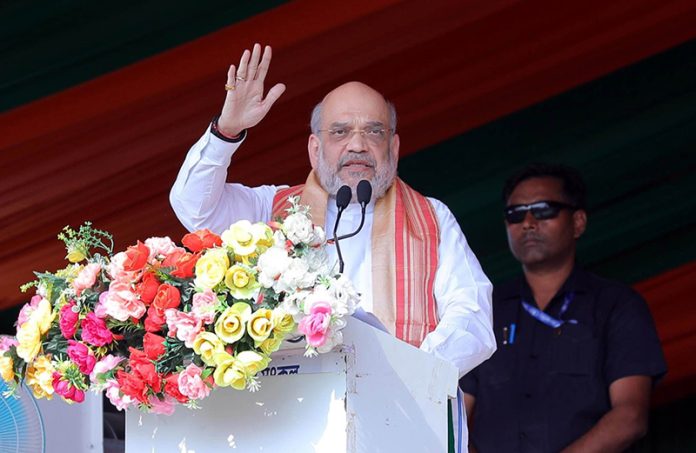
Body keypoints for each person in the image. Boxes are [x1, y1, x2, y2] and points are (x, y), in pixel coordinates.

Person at [170, 43, 496, 380]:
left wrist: (407, 376)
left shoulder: (431, 218)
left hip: (403, 414)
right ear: (315, 149)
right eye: (340, 132)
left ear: (393, 148)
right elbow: (194, 209)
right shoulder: (271, 209)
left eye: (373, 132)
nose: (357, 145)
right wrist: (226, 131)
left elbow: (472, 318)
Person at [460, 164, 667, 452]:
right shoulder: (484, 310)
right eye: (515, 214)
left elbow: (630, 417)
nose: (528, 222)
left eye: (543, 210)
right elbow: (455, 418)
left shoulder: (617, 305)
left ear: (578, 222)